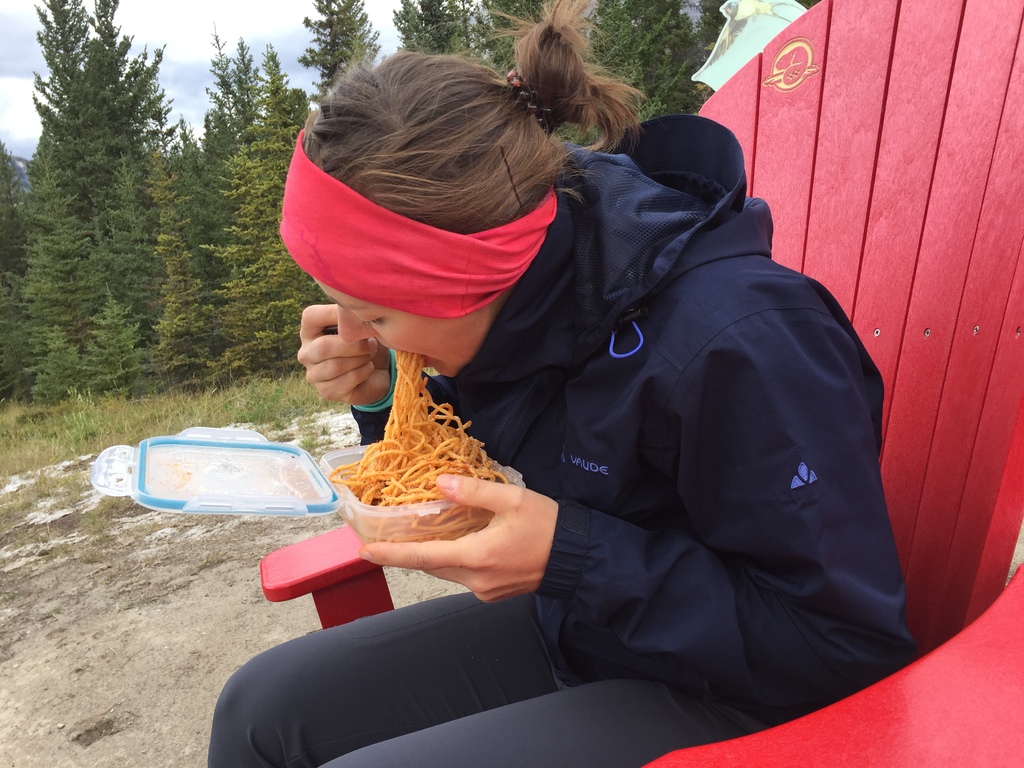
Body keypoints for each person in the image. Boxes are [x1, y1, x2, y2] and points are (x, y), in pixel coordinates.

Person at [208, 1, 916, 765]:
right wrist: (383, 397)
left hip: (755, 700)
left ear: (469, 281)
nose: (351, 333)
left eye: (375, 313)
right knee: (261, 710)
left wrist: (571, 556)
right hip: (594, 627)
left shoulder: (741, 343)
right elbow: (483, 443)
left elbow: (841, 648)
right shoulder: (537, 294)